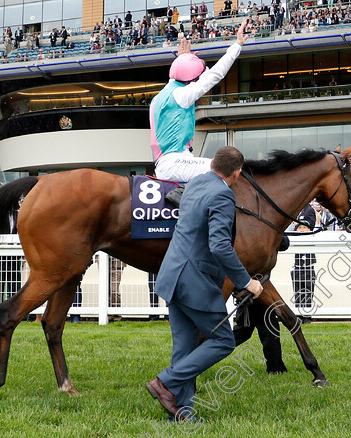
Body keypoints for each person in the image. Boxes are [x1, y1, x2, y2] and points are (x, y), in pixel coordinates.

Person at [146, 146, 263, 422]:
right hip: (194, 282)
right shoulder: (223, 194)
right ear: (236, 173)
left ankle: (181, 410)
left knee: (184, 347)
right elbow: (220, 246)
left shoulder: (196, 182)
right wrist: (246, 282)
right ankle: (165, 381)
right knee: (223, 341)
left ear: (212, 164)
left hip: (172, 276)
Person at [150, 19, 250, 193]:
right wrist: (237, 45)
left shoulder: (164, 94)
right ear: (192, 80)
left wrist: (183, 60)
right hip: (174, 163)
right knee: (223, 170)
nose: (199, 80)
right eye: (197, 78)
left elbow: (180, 73)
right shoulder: (182, 95)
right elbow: (216, 74)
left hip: (170, 162)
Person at [291, 220, 316, 322]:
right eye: (300, 228)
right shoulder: (295, 239)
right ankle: (298, 315)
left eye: (304, 228)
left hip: (309, 268)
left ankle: (307, 316)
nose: (302, 230)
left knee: (308, 292)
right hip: (297, 268)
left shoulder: (312, 238)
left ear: (309, 229)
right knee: (298, 293)